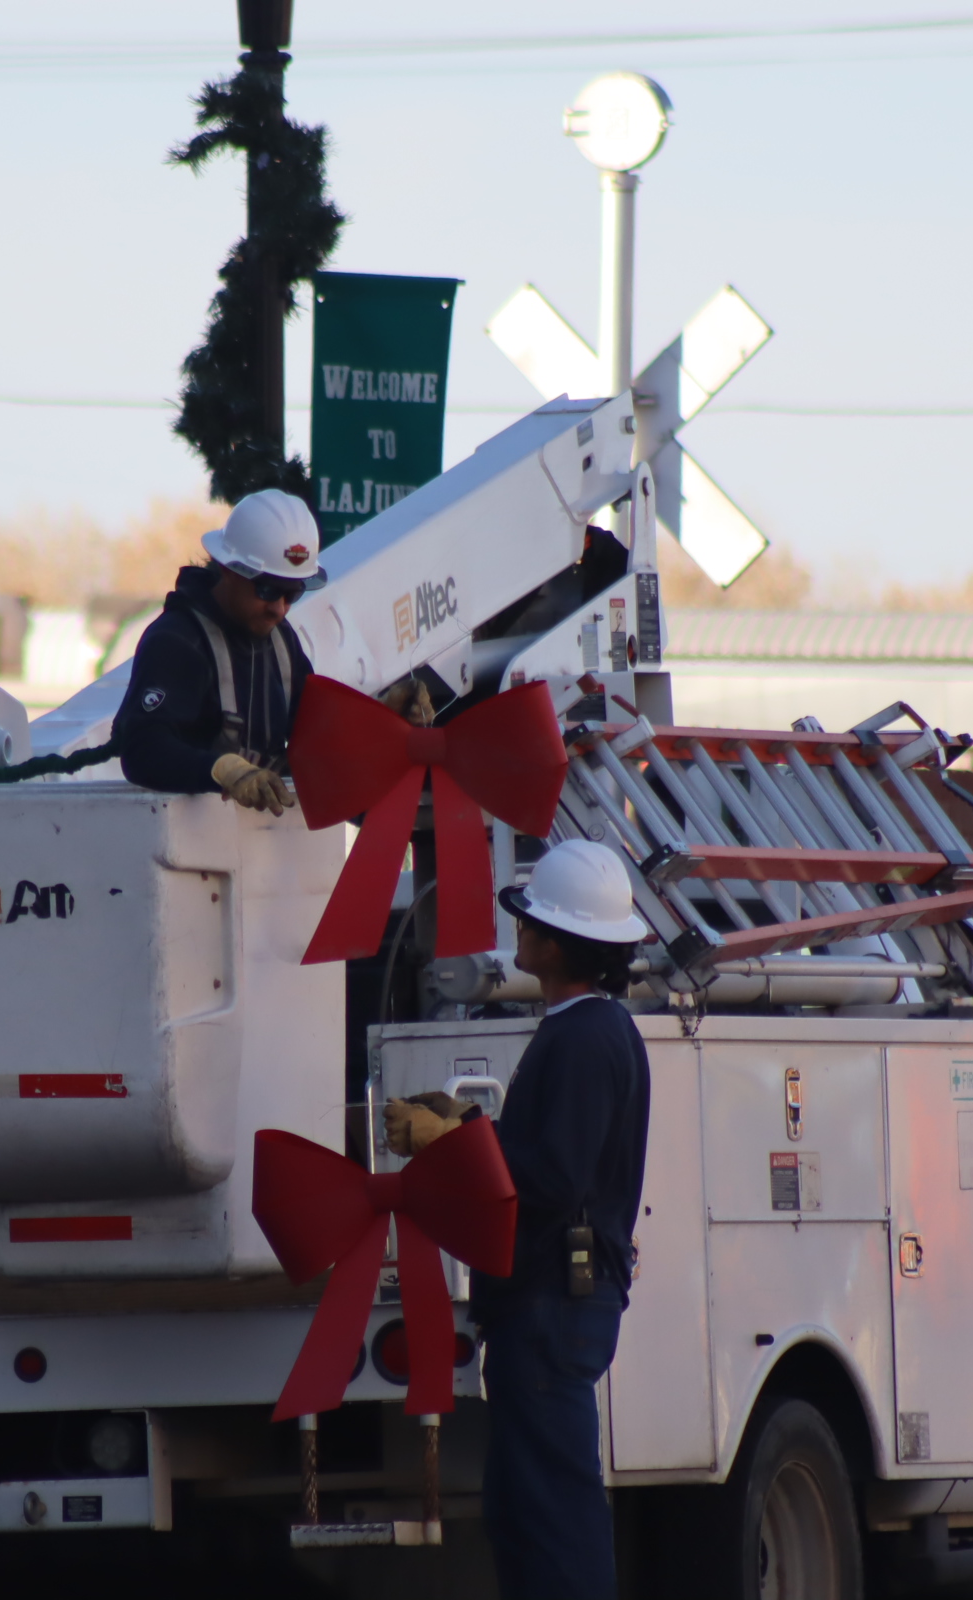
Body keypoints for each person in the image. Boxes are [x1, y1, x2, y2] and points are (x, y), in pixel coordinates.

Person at [383, 839, 651, 1600]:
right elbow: (551, 1156)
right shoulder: (592, 1030)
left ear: (563, 944)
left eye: (533, 922)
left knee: (553, 1516)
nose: (521, 933)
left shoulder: (582, 1037)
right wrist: (469, 1122)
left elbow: (554, 1175)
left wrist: (455, 1141)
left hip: (549, 1308)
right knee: (525, 1511)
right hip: (549, 1307)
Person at [113, 487, 428, 813]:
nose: (279, 609)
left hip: (263, 848)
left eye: (292, 593)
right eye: (267, 589)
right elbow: (142, 750)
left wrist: (380, 716)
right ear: (229, 570)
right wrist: (221, 770)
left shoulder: (281, 642)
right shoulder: (178, 642)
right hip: (188, 844)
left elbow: (317, 733)